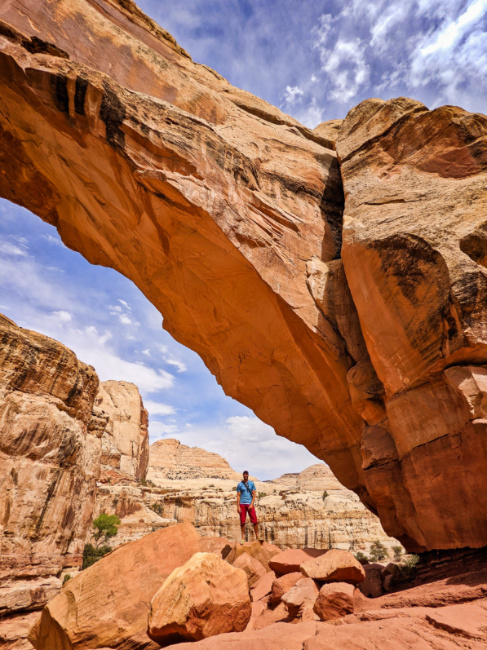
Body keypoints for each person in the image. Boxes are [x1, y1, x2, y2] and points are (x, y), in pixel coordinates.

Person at [236, 470, 260, 543]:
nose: (245, 475)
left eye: (246, 474)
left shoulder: (251, 483)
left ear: (248, 475)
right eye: (244, 474)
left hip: (249, 504)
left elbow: (254, 494)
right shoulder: (240, 484)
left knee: (254, 520)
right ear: (243, 475)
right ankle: (243, 538)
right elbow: (238, 495)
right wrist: (238, 506)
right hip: (242, 504)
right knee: (242, 522)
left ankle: (257, 536)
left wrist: (252, 503)